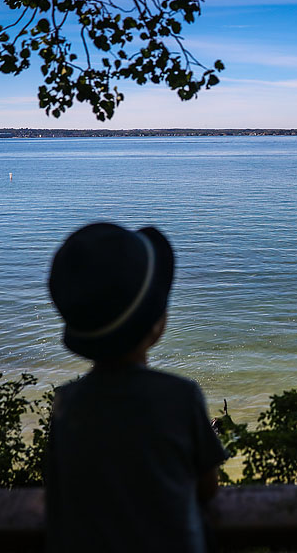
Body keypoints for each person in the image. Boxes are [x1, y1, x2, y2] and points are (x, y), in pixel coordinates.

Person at [45, 223, 227, 553]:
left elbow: (60, 491)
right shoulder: (181, 397)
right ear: (157, 325)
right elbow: (208, 490)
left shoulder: (66, 404)